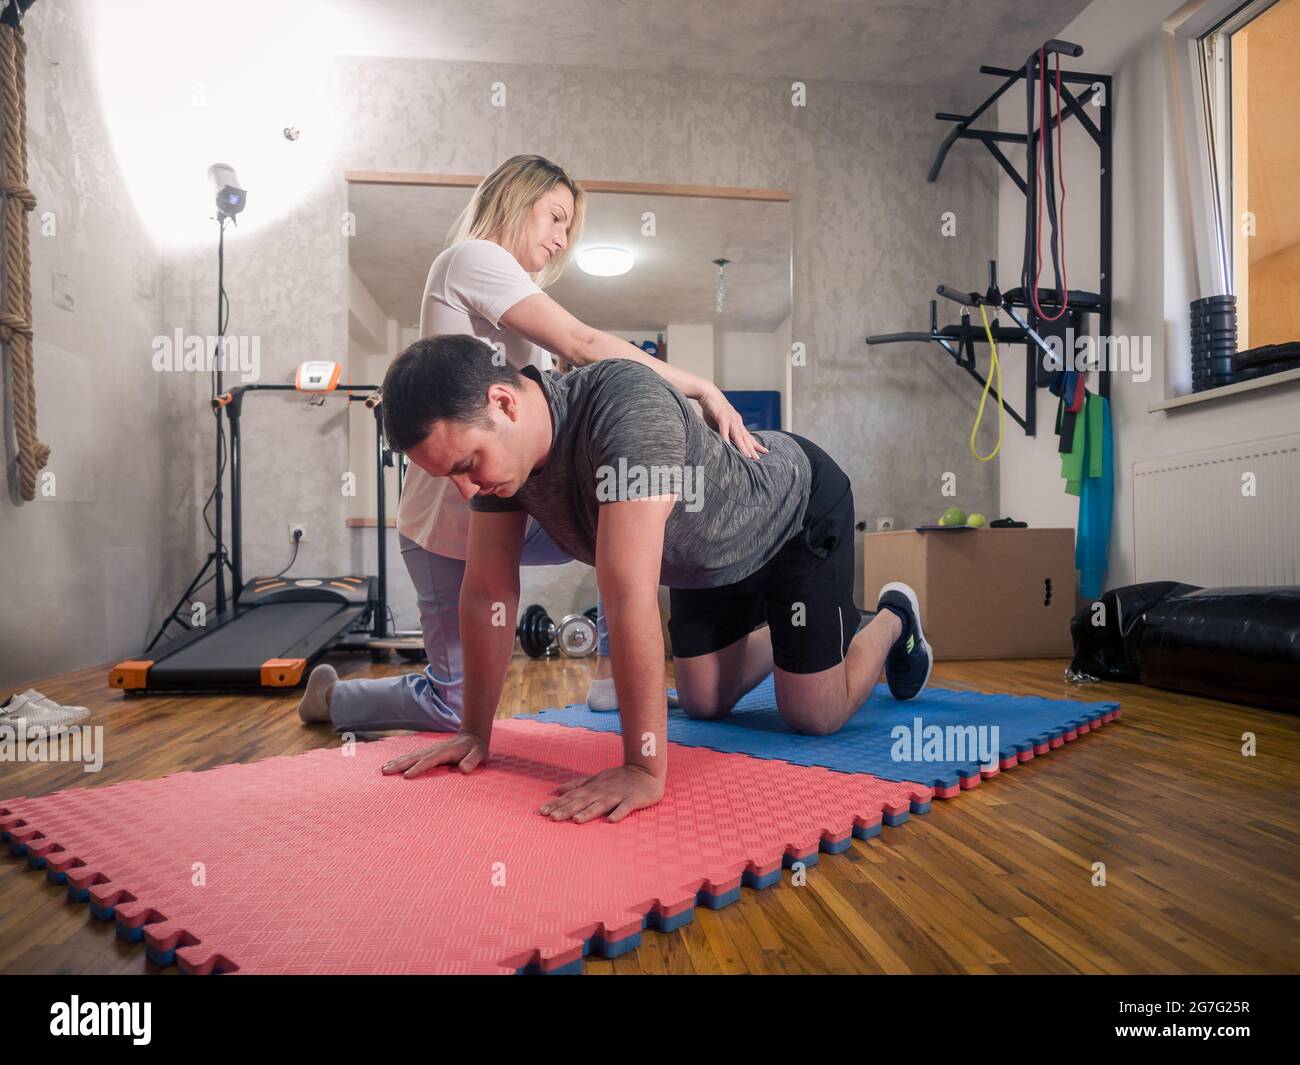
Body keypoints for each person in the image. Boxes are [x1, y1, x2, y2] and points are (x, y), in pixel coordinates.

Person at [377, 335, 934, 824]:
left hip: (792, 513)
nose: (467, 491)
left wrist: (642, 768)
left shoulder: (624, 405)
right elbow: (488, 593)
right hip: (705, 561)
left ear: (503, 403)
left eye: (465, 465)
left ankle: (889, 618)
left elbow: (626, 595)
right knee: (704, 703)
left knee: (813, 715)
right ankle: (801, 638)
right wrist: (474, 732)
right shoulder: (505, 467)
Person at [296, 154, 763, 733]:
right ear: (517, 200)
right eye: (556, 217)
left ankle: (609, 681)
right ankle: (334, 700)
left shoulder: (518, 328)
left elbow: (563, 380)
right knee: (454, 708)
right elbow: (585, 340)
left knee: (622, 507)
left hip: (504, 511)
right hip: (443, 526)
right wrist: (702, 389)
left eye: (568, 227)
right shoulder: (472, 258)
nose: (561, 239)